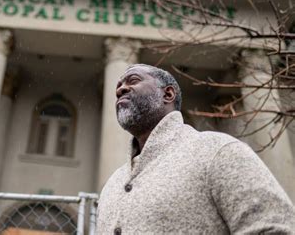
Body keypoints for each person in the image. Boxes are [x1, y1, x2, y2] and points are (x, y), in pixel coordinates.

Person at [96, 64, 295, 234]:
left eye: (132, 80)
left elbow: (274, 229)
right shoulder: (113, 184)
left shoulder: (218, 152)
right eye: (118, 86)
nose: (120, 89)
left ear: (168, 94)